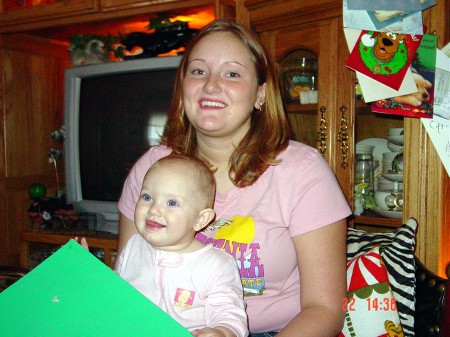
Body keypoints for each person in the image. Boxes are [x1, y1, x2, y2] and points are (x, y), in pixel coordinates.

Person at [118, 19, 352, 336]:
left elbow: (324, 309)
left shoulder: (303, 171)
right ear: (182, 85)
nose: (211, 85)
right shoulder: (151, 168)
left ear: (260, 94)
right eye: (198, 71)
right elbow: (127, 285)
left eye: (232, 74)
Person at [79, 154, 248, 337]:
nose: (154, 209)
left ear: (200, 219)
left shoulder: (216, 264)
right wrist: (91, 273)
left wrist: (222, 332)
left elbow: (230, 315)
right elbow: (115, 296)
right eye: (147, 197)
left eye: (172, 202)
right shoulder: (133, 247)